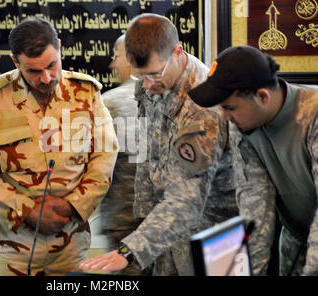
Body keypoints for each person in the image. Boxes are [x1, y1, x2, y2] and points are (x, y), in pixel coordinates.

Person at [80, 13, 238, 275]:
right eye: (140, 76)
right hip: (163, 233)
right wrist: (142, 229)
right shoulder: (150, 82)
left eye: (155, 73)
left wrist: (133, 249)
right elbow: (148, 157)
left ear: (178, 52)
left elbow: (186, 199)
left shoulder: (202, 104)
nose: (149, 84)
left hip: (209, 237)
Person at [0, 17, 118, 276]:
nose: (46, 77)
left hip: (71, 240)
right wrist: (25, 209)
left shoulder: (86, 93)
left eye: (52, 65)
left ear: (60, 47)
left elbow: (105, 155)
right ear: (16, 62)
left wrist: (73, 205)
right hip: (14, 244)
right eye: (34, 71)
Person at [188, 45, 318, 276]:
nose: (224, 117)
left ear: (262, 96)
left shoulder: (312, 115)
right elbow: (255, 205)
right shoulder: (245, 124)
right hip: (296, 240)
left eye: (229, 107)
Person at [98, 35, 148, 275]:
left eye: (116, 57)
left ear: (130, 59)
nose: (112, 65)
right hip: (163, 225)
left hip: (124, 226)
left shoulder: (110, 104)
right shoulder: (167, 100)